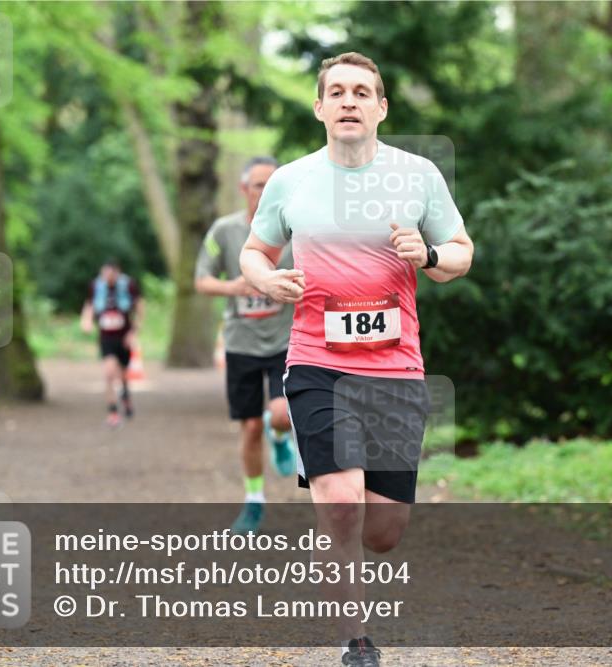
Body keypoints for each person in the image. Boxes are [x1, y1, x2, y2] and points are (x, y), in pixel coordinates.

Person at [240, 53, 474, 666]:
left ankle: (339, 547)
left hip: (395, 369)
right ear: (319, 107)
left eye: (361, 92)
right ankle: (356, 642)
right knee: (341, 501)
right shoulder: (290, 180)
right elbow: (254, 253)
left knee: (383, 533)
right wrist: (268, 281)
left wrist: (426, 254)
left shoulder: (418, 174)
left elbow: (461, 254)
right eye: (337, 92)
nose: (349, 100)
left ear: (380, 107)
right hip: (318, 363)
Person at [195, 156, 298, 535]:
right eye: (258, 185)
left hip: (286, 340)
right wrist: (234, 286)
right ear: (244, 189)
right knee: (251, 427)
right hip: (241, 343)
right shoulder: (224, 230)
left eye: (272, 184)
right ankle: (254, 501)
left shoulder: (295, 229)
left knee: (280, 414)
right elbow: (201, 280)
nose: (264, 191)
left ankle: (283, 436)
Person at [80, 260, 143, 428]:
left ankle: (125, 395)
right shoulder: (96, 287)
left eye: (110, 274)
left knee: (122, 374)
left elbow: (139, 307)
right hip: (106, 338)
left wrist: (134, 332)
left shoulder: (128, 285)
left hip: (124, 338)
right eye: (104, 274)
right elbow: (90, 305)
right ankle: (113, 412)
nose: (107, 277)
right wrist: (86, 320)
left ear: (117, 273)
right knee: (108, 373)